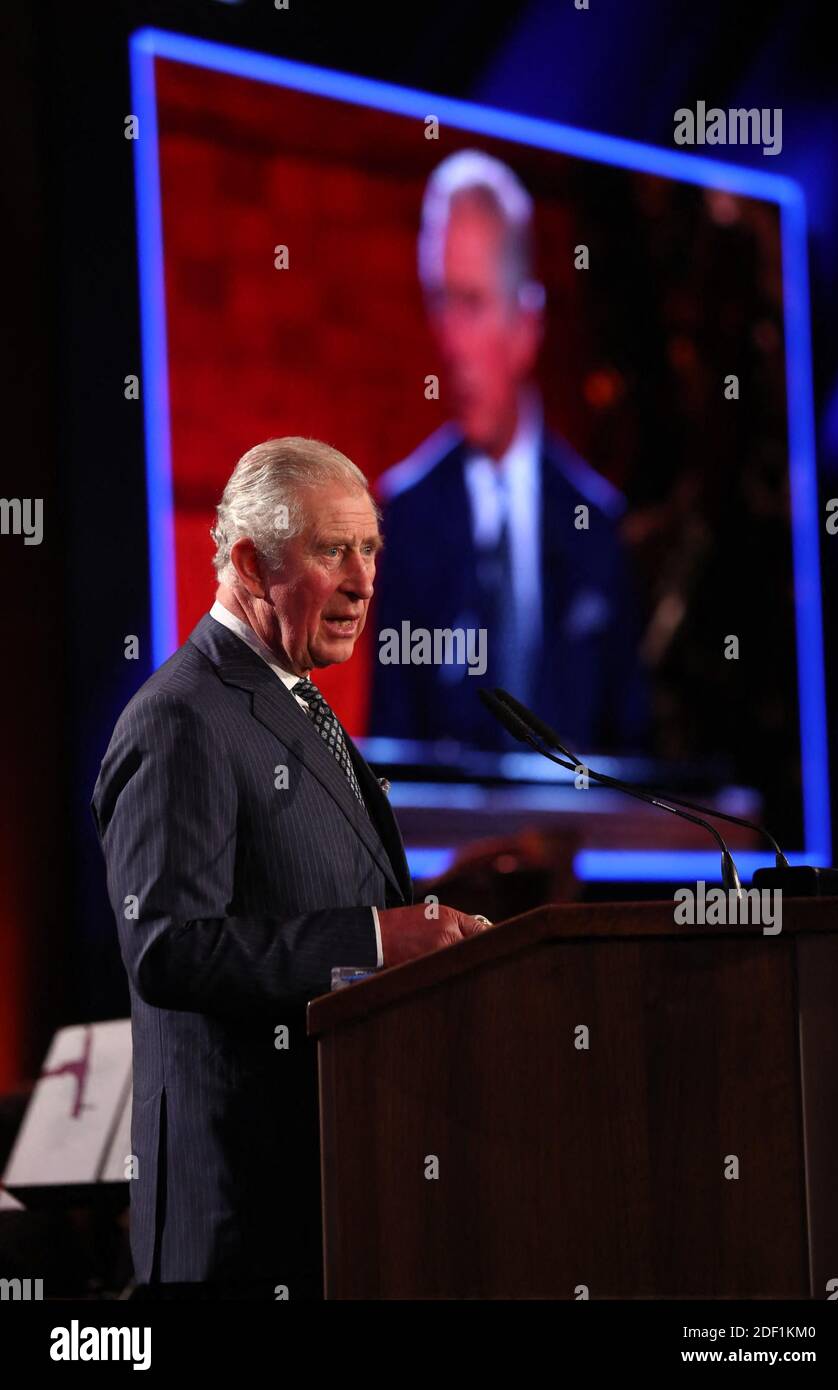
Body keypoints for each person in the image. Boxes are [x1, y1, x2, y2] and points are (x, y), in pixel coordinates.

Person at [91, 437, 488, 1300]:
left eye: (370, 548)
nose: (363, 580)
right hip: (243, 1217)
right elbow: (168, 948)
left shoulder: (297, 703)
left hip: (343, 1194)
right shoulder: (183, 719)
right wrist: (377, 942)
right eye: (330, 550)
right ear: (246, 561)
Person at [370, 149, 648, 751]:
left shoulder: (597, 529)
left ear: (527, 325)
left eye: (470, 303)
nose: (449, 341)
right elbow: (388, 781)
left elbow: (634, 769)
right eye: (437, 302)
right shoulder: (406, 517)